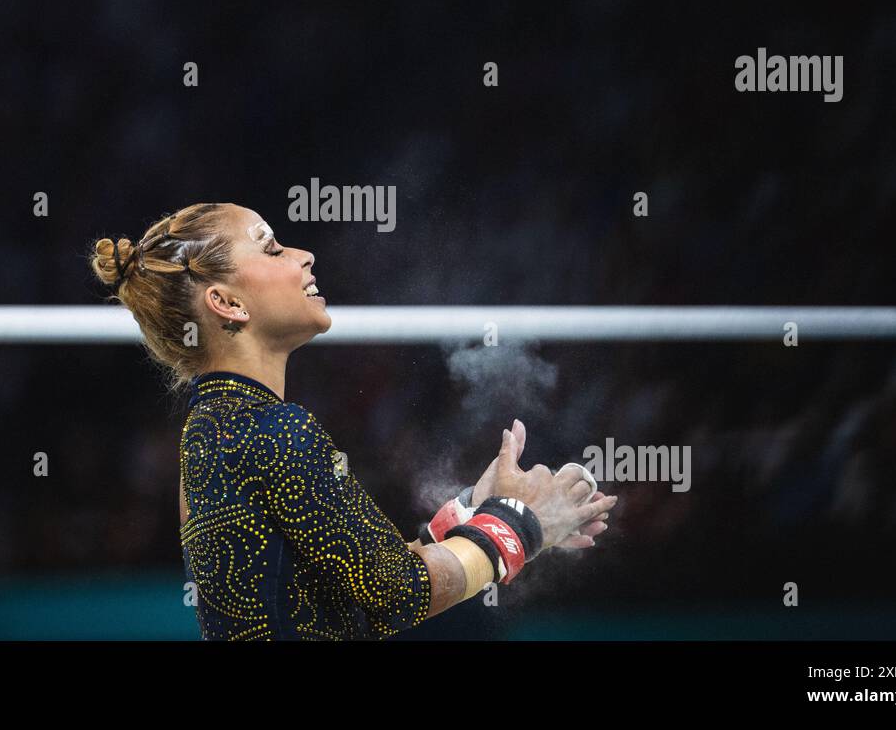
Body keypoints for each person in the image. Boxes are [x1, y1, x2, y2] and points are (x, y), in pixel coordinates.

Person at [90, 201, 617, 640]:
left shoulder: (212, 430)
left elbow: (347, 599)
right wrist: (523, 525)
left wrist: (472, 514)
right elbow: (396, 594)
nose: (303, 255)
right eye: (271, 247)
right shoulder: (270, 431)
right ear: (227, 302)